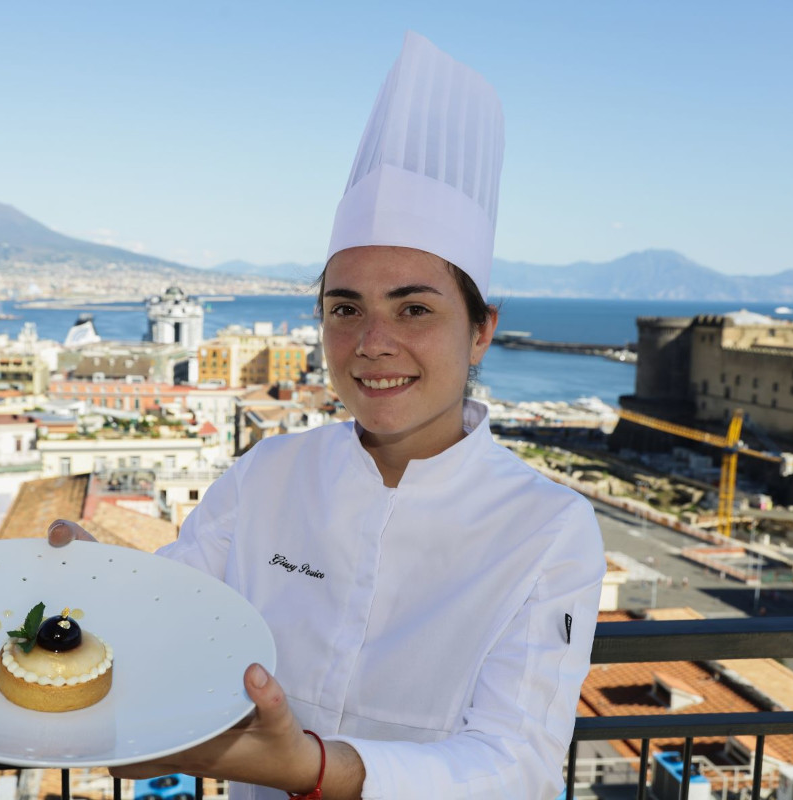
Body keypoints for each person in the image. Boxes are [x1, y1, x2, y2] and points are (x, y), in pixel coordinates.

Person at [50, 32, 605, 799]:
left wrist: (314, 768)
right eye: (345, 308)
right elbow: (173, 615)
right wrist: (100, 586)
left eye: (414, 308)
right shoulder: (268, 475)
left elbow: (517, 766)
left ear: (482, 330)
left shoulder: (548, 529)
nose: (373, 344)